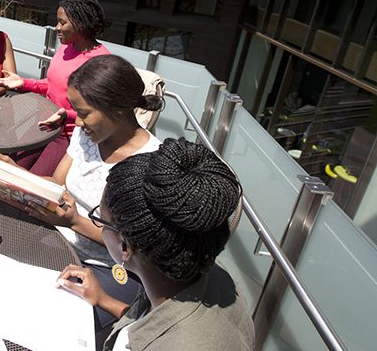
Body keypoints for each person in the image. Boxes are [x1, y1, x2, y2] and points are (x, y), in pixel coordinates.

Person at [0, 54, 162, 329]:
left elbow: (137, 248)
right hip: (58, 238)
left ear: (117, 108)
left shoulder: (150, 163)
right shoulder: (88, 135)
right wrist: (12, 172)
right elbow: (57, 184)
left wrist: (75, 222)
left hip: (109, 267)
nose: (77, 123)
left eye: (85, 113)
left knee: (51, 324)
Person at [56, 138, 254, 350]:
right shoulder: (210, 273)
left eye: (101, 221)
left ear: (125, 246)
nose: (100, 226)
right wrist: (105, 300)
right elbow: (153, 323)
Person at [0, 0, 111, 176]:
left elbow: (101, 111)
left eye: (62, 23)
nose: (56, 27)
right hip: (44, 123)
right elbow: (55, 83)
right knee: (9, 168)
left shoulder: (101, 61)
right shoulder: (65, 47)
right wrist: (23, 82)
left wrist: (67, 116)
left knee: (34, 181)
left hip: (69, 135)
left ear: (81, 24)